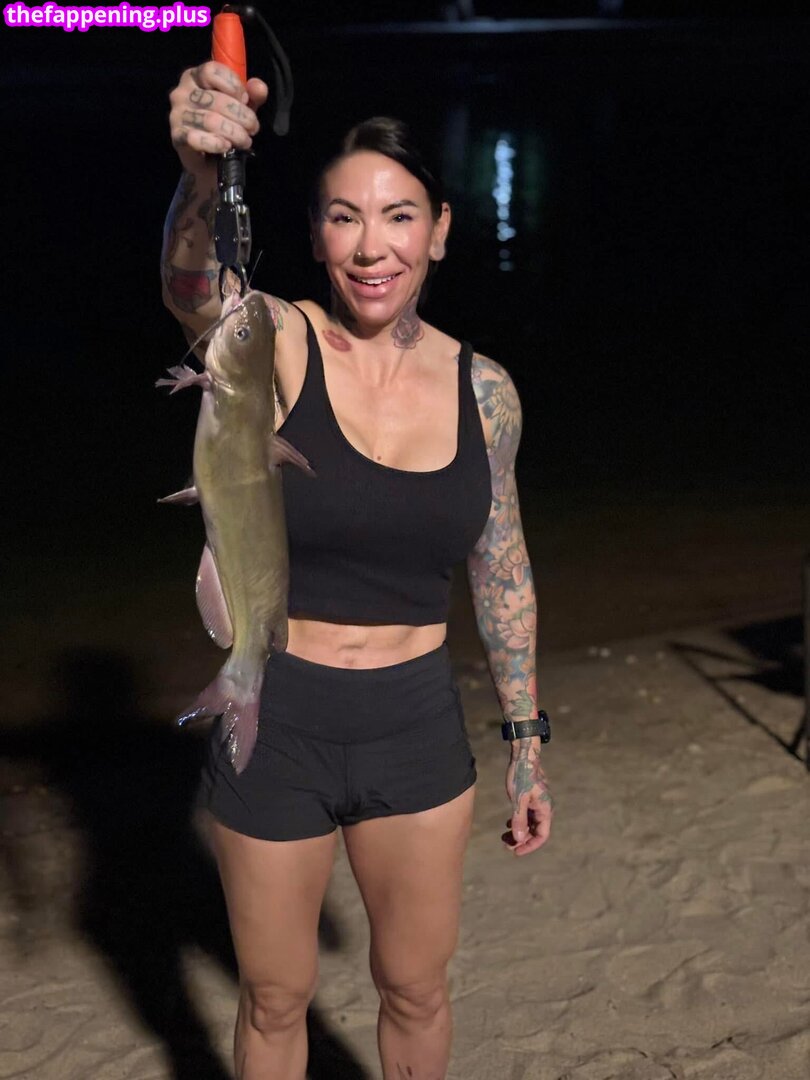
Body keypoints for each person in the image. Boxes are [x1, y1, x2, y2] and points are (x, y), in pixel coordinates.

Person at [161, 60, 553, 1080]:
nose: (372, 247)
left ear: (441, 230)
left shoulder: (487, 392)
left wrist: (525, 739)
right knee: (274, 999)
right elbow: (196, 292)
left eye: (398, 216)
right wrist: (200, 179)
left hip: (415, 728)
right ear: (316, 233)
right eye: (344, 218)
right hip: (277, 717)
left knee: (416, 989)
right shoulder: (279, 341)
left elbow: (503, 568)